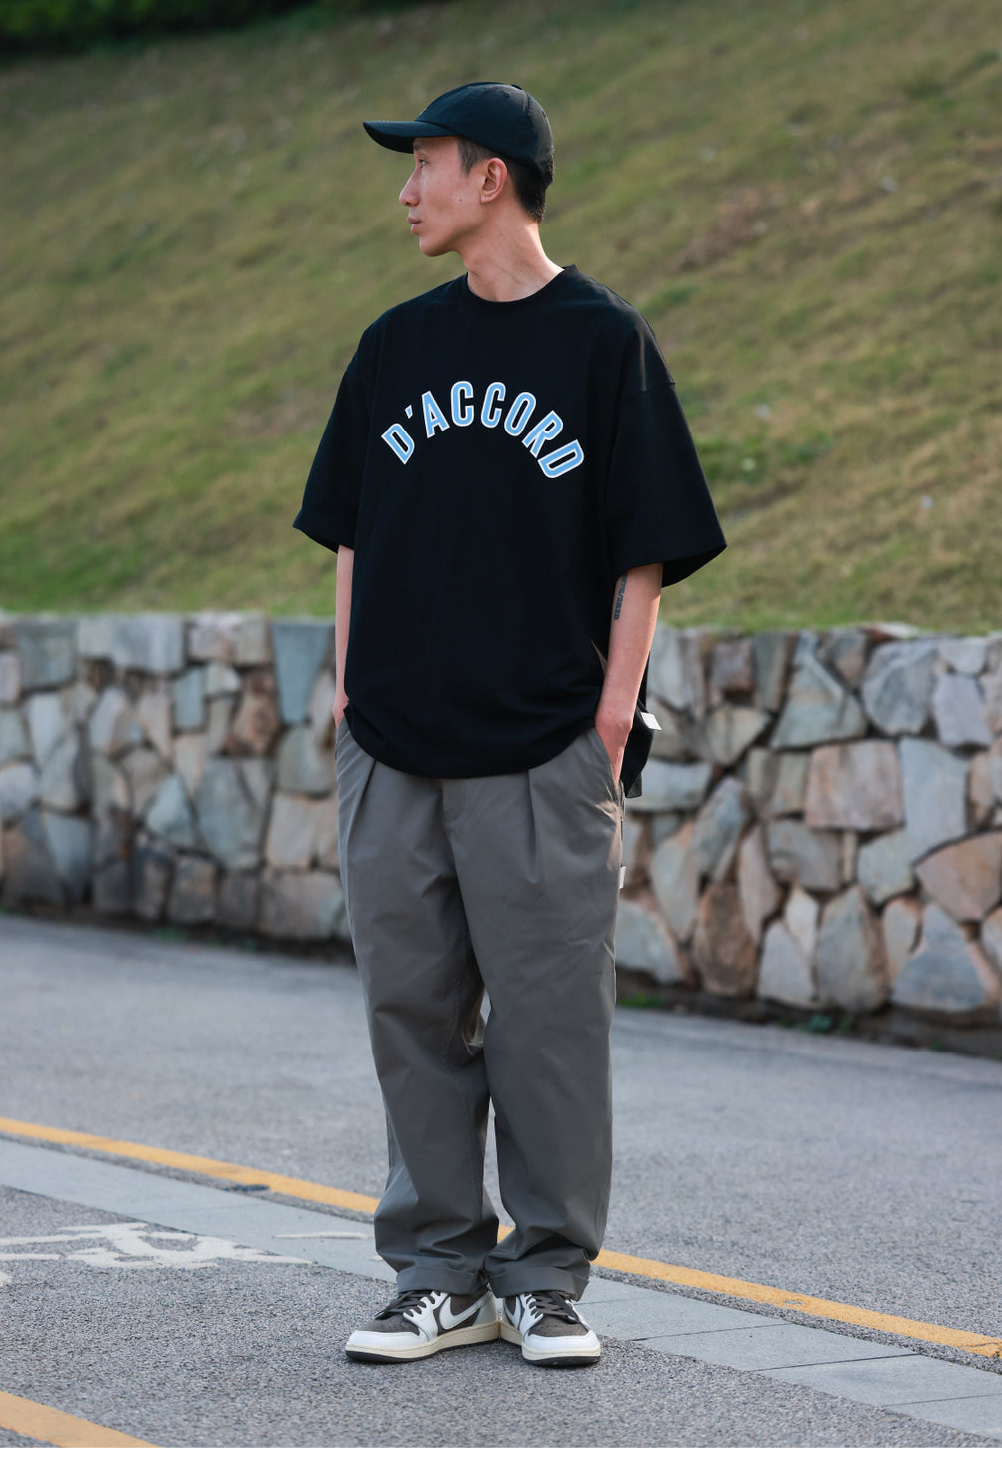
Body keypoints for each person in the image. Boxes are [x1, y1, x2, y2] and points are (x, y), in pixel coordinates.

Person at [294, 81, 725, 1368]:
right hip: (395, 744)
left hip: (542, 746)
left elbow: (645, 550)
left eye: (424, 165)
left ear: (492, 178)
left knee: (549, 1028)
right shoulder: (396, 346)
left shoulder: (602, 343)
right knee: (412, 1016)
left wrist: (611, 712)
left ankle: (544, 1279)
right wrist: (352, 688)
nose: (406, 191)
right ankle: (438, 1273)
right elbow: (351, 530)